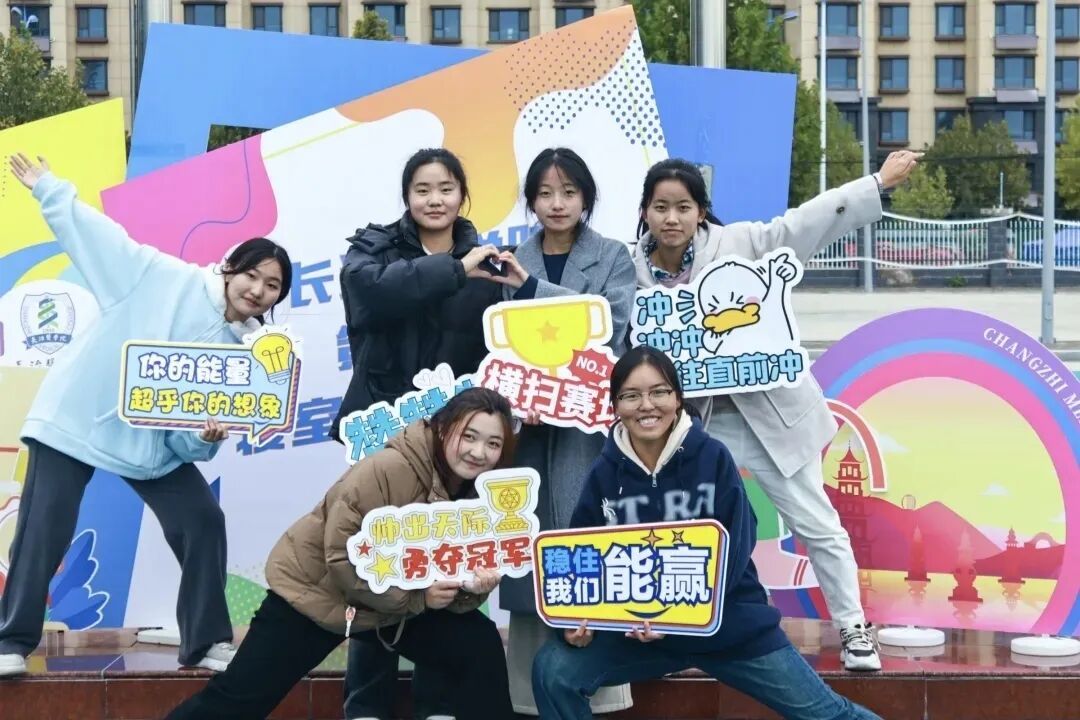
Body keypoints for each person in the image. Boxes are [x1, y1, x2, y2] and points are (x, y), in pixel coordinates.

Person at [0, 154, 293, 677]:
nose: (257, 290)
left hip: (148, 447)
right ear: (230, 267)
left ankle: (206, 642)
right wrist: (50, 188)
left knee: (202, 520)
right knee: (44, 528)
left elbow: (184, 440)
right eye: (252, 274)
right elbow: (101, 239)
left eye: (272, 286)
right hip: (76, 419)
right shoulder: (164, 278)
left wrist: (205, 438)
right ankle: (11, 643)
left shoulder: (245, 359)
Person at [631, 152, 921, 671]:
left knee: (816, 522)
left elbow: (804, 223)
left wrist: (876, 183)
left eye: (683, 207)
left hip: (771, 414)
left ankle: (853, 627)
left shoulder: (739, 244)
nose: (671, 218)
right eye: (660, 207)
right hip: (694, 425)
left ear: (701, 211)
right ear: (645, 211)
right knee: (683, 528)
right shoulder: (629, 271)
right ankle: (682, 630)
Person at [531, 346, 883, 720]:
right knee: (554, 671)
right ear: (615, 404)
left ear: (678, 398)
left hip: (729, 629)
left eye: (659, 392)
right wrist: (574, 623)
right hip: (642, 637)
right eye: (631, 395)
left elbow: (737, 546)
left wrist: (675, 618)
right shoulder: (605, 471)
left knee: (828, 713)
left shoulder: (711, 456)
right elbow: (581, 556)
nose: (646, 405)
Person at [163, 388, 518, 720]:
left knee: (478, 645)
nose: (478, 452)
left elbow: (450, 581)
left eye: (493, 443)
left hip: (392, 604)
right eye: (468, 436)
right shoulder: (390, 469)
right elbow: (341, 558)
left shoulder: (481, 492)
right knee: (240, 698)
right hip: (318, 594)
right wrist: (418, 598)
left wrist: (472, 587)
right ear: (441, 427)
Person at [331, 148, 505, 720]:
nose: (435, 200)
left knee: (444, 558)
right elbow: (368, 295)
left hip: (454, 446)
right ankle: (366, 704)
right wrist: (454, 269)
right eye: (423, 189)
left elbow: (499, 349)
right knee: (376, 561)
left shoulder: (490, 264)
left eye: (446, 188)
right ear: (406, 197)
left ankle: (438, 702)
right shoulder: (374, 248)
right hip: (381, 434)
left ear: (463, 195)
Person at [487, 147, 635, 714]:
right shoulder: (508, 260)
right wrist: (512, 403)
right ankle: (527, 698)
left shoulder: (612, 256)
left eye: (569, 192)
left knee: (587, 551)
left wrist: (531, 290)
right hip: (526, 433)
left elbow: (610, 325)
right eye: (546, 193)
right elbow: (495, 344)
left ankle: (602, 694)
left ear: (586, 199)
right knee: (528, 560)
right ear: (531, 201)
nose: (557, 204)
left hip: (584, 432)